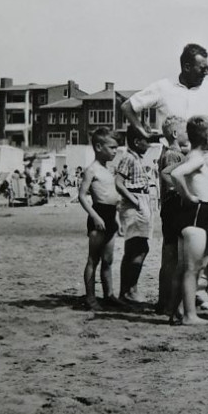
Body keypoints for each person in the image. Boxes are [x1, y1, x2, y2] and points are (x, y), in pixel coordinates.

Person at [122, 43, 208, 297]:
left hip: (204, 165)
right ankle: (169, 294)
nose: (207, 72)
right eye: (203, 68)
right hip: (173, 161)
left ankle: (202, 292)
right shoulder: (163, 87)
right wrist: (140, 129)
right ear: (186, 66)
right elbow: (128, 106)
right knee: (173, 229)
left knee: (206, 228)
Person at [168, 116, 208, 325]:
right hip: (197, 211)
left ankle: (176, 310)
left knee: (185, 266)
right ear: (207, 136)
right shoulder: (196, 158)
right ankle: (190, 315)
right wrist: (188, 196)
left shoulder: (195, 155)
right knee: (192, 267)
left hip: (197, 213)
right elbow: (176, 174)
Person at [76, 130, 121, 311]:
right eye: (112, 147)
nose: (115, 151)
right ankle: (90, 297)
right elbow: (81, 196)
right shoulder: (91, 170)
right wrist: (95, 216)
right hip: (98, 215)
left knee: (108, 259)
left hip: (110, 216)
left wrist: (117, 219)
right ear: (98, 147)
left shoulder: (108, 170)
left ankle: (109, 294)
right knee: (93, 259)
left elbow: (114, 197)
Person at [111, 125, 156, 307]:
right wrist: (135, 200)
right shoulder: (128, 157)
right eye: (147, 140)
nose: (149, 144)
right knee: (137, 246)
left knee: (138, 247)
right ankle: (129, 290)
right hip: (135, 201)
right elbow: (119, 183)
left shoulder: (137, 157)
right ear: (137, 141)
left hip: (142, 200)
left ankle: (129, 289)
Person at [156, 115, 192, 316]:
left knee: (171, 256)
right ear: (176, 134)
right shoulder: (173, 156)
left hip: (170, 208)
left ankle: (164, 301)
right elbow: (171, 181)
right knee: (173, 257)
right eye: (186, 130)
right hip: (174, 208)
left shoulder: (173, 153)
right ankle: (168, 301)